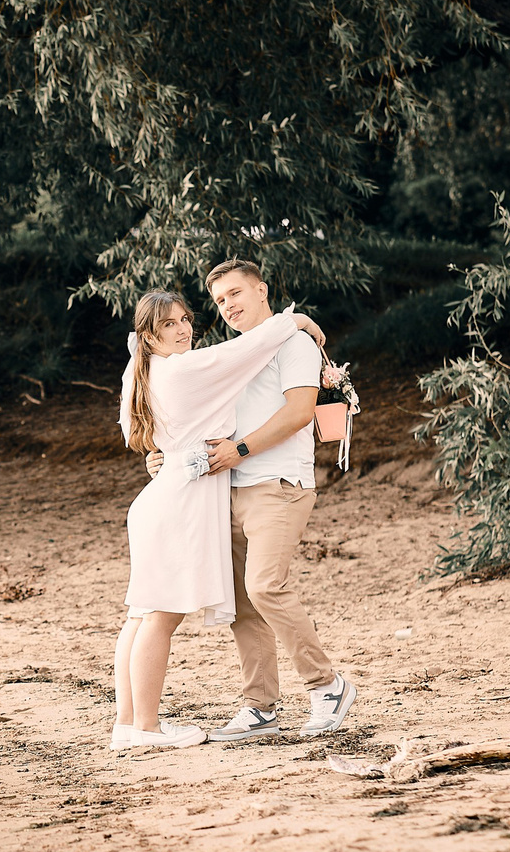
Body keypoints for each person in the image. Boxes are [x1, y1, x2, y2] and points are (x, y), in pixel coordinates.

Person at [111, 289, 310, 752]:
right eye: (169, 325)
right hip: (178, 503)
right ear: (149, 336)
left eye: (185, 320)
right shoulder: (180, 368)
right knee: (160, 616)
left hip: (164, 496)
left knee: (141, 616)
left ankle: (128, 722)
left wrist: (168, 455)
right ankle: (146, 727)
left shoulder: (151, 369)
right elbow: (241, 351)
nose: (183, 330)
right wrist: (295, 322)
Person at [179, 258, 357, 741]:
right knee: (240, 601)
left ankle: (328, 685)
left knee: (264, 586)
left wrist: (237, 451)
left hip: (278, 484)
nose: (228, 306)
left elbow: (299, 413)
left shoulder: (293, 343)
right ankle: (260, 707)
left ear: (261, 291)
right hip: (227, 488)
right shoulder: (234, 353)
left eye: (235, 293)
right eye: (219, 301)